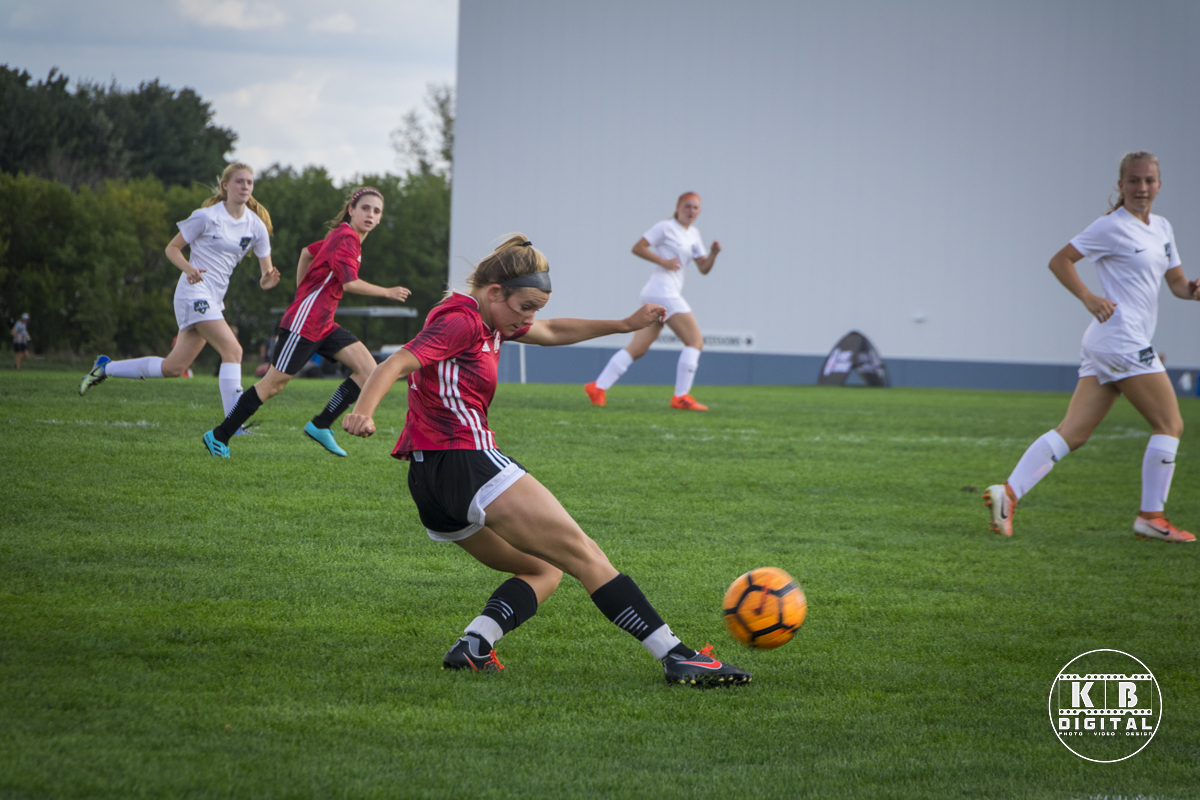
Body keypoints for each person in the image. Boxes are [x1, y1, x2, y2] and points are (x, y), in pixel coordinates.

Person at [342, 234, 751, 686]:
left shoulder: (489, 320)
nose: (530, 319)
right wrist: (364, 411)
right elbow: (397, 362)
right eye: (525, 307)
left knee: (542, 568)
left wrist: (624, 324)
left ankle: (474, 644)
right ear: (494, 292)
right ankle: (677, 656)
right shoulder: (462, 320)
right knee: (586, 555)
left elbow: (553, 332)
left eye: (535, 309)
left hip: (429, 481)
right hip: (468, 462)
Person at [984, 152, 1200, 543]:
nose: (1142, 188)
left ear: (1159, 185)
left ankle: (1008, 494)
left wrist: (1194, 290)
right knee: (1170, 424)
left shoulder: (1163, 228)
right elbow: (1060, 261)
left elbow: (1177, 285)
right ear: (1121, 185)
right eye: (1133, 180)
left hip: (1110, 342)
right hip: (1121, 340)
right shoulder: (1111, 226)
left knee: (1074, 433)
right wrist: (1088, 297)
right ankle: (1151, 517)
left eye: (1149, 180)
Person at [202, 187, 411, 457]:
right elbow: (349, 283)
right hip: (305, 323)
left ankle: (321, 425)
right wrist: (387, 292)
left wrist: (303, 291)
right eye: (365, 208)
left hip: (323, 323)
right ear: (351, 210)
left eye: (376, 211)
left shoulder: (344, 237)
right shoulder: (346, 237)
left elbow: (306, 253)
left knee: (369, 369)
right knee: (273, 385)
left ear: (380, 218)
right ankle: (219, 436)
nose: (370, 214)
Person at [78, 162, 280, 420]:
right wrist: (188, 268)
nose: (245, 186)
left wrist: (267, 281)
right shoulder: (206, 216)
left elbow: (266, 274)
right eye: (239, 181)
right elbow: (171, 248)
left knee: (174, 367)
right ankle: (234, 423)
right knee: (233, 351)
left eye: (249, 182)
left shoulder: (256, 226)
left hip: (214, 299)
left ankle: (105, 368)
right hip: (193, 293)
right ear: (226, 186)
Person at [585, 192, 722, 410]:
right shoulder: (665, 227)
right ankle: (681, 396)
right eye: (687, 206)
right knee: (695, 341)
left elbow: (703, 268)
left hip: (657, 294)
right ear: (677, 207)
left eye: (696, 208)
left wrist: (713, 254)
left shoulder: (694, 234)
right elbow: (637, 247)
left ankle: (597, 387)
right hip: (663, 292)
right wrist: (663, 261)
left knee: (637, 348)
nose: (691, 211)